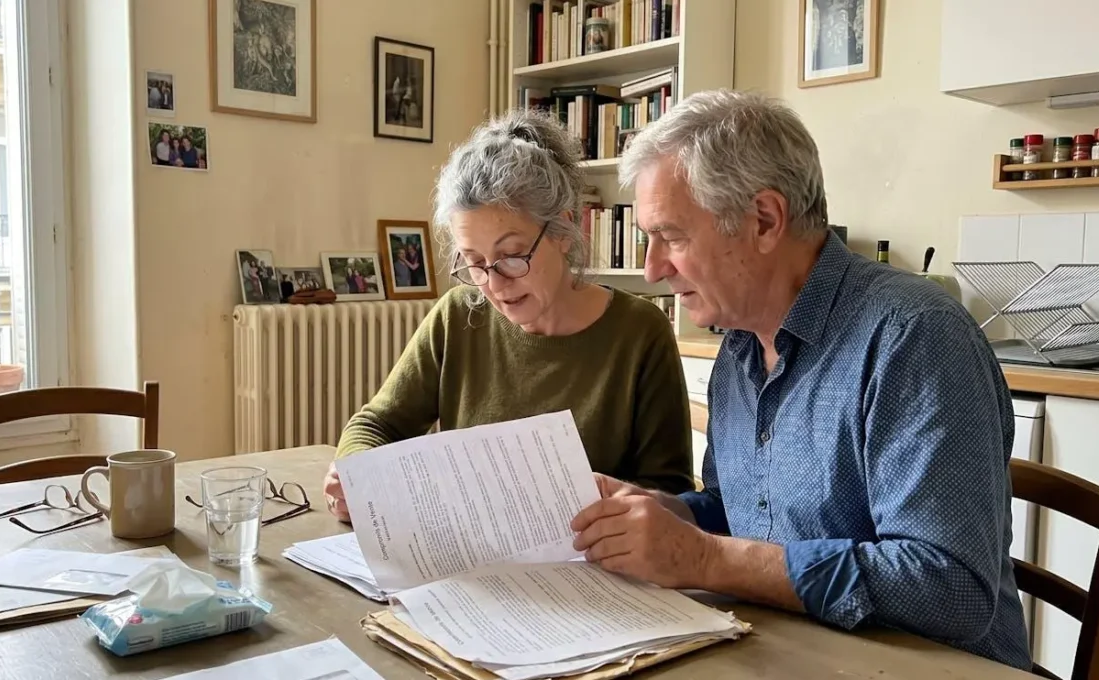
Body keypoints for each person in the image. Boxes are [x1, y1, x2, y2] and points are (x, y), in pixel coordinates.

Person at [569, 89, 1032, 672]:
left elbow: (950, 590)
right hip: (795, 652)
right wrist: (670, 516)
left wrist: (707, 560)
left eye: (673, 237)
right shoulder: (739, 346)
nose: (653, 268)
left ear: (764, 220)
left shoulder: (914, 336)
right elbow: (742, 511)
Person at [323, 108, 696, 521]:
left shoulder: (639, 331)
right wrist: (355, 475)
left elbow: (671, 493)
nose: (494, 284)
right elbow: (376, 425)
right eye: (474, 262)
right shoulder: (459, 316)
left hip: (588, 570)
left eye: (512, 256)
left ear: (561, 232)